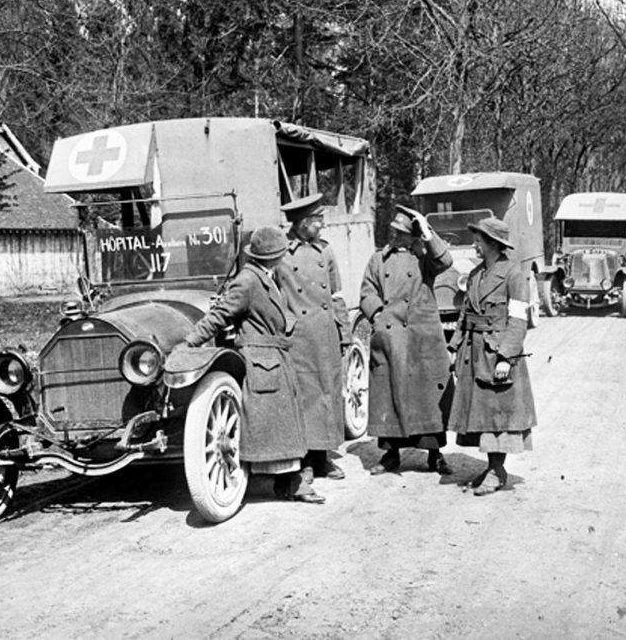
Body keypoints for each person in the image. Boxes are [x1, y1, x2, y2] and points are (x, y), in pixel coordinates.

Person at [180, 226, 324, 504]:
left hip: (272, 356)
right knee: (274, 424)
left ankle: (288, 482)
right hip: (261, 358)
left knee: (283, 425)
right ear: (273, 257)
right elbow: (220, 315)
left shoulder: (265, 277)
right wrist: (190, 343)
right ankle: (291, 484)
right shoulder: (247, 281)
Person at [359, 205, 454, 476]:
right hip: (391, 336)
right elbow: (367, 292)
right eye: (392, 231)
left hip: (421, 336)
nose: (393, 236)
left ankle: (435, 455)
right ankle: (391, 455)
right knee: (390, 393)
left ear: (412, 237)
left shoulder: (424, 258)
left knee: (427, 395)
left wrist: (427, 231)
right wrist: (379, 316)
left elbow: (446, 262)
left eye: (400, 233)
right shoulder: (378, 260)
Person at [448, 217, 537, 496]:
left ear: (493, 244)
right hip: (473, 354)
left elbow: (519, 320)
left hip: (496, 352)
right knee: (483, 415)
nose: (474, 244)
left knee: (498, 416)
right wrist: (454, 348)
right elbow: (464, 316)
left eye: (479, 240)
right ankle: (492, 468)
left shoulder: (514, 274)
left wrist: (505, 358)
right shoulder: (475, 275)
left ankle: (498, 472)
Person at [276, 192, 351, 482]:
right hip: (299, 337)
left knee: (327, 394)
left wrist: (344, 332)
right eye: (317, 221)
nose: (321, 226)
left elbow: (336, 295)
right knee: (304, 397)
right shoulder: (280, 253)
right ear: (303, 222)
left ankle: (323, 459)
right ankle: (305, 461)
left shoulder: (326, 251)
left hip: (325, 333)